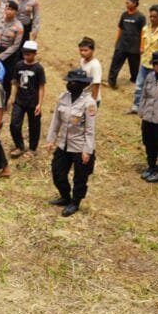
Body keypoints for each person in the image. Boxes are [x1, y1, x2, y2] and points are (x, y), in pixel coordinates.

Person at [46, 69, 97, 217]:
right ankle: (65, 196)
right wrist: (51, 140)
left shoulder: (89, 103)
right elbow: (56, 121)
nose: (69, 85)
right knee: (57, 172)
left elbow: (90, 129)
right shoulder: (63, 97)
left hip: (79, 146)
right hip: (63, 144)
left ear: (81, 85)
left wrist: (87, 150)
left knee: (80, 177)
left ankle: (75, 202)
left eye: (72, 82)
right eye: (69, 82)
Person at [130, 4, 158, 114]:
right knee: (139, 85)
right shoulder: (145, 28)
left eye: (155, 17)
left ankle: (156, 109)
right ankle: (136, 106)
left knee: (157, 88)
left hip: (157, 66)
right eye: (151, 16)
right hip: (145, 63)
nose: (152, 19)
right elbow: (143, 43)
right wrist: (142, 48)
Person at [138, 51, 158, 183]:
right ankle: (151, 167)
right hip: (148, 117)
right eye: (156, 64)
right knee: (148, 143)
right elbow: (144, 95)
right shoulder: (150, 77)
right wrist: (141, 111)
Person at [9, 41, 46, 159]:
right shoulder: (19, 65)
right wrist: (12, 96)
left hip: (33, 102)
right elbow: (15, 82)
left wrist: (40, 104)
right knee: (14, 124)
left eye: (29, 54)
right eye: (25, 53)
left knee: (34, 126)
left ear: (35, 54)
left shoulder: (38, 68)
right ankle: (20, 146)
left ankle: (32, 148)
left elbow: (41, 86)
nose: (26, 56)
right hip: (20, 101)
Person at [107, 0, 145, 89]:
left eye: (128, 2)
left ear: (135, 3)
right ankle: (111, 82)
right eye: (126, 2)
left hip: (134, 46)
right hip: (122, 45)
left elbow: (143, 32)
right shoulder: (124, 15)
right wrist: (117, 41)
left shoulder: (141, 17)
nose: (126, 4)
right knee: (115, 63)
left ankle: (134, 79)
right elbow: (120, 28)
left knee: (134, 66)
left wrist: (142, 46)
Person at [0, 0, 24, 98]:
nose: (9, 11)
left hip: (10, 55)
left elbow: (15, 46)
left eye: (12, 9)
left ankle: (4, 101)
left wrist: (1, 57)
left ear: (16, 12)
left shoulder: (19, 27)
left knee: (6, 79)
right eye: (7, 9)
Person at [78, 37, 102, 106]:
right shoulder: (82, 60)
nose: (82, 53)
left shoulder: (95, 65)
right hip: (83, 97)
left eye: (86, 50)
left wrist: (92, 103)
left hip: (91, 99)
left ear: (93, 50)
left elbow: (96, 85)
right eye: (81, 50)